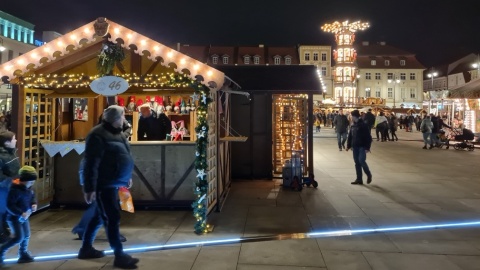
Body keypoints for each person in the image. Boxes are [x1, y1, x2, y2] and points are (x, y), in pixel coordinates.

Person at [79, 105, 139, 269]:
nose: (124, 120)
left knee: (99, 217)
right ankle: (119, 256)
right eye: (122, 117)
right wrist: (89, 187)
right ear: (115, 118)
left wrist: (126, 178)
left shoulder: (117, 133)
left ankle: (85, 249)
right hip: (103, 184)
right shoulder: (97, 135)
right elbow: (92, 162)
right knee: (112, 218)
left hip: (113, 182)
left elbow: (123, 156)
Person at [0, 165, 38, 266]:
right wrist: (20, 213)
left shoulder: (29, 188)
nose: (32, 183)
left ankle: (23, 254)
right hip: (13, 218)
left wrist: (33, 204)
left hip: (24, 217)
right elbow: (9, 205)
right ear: (24, 180)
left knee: (26, 235)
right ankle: (1, 252)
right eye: (30, 181)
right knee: (18, 238)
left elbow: (32, 196)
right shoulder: (14, 190)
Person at [0, 131, 20, 243]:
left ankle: (5, 231)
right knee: (2, 210)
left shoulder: (11, 153)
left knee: (6, 210)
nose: (16, 141)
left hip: (11, 186)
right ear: (6, 143)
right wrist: (9, 182)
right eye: (13, 139)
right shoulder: (2, 156)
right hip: (3, 188)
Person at [346, 110, 373, 185]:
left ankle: (368, 174)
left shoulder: (363, 125)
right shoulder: (353, 125)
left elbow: (368, 137)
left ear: (355, 116)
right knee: (357, 163)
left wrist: (367, 147)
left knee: (361, 161)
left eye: (352, 116)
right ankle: (359, 179)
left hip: (362, 146)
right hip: (355, 147)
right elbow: (350, 136)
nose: (351, 117)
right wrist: (348, 146)